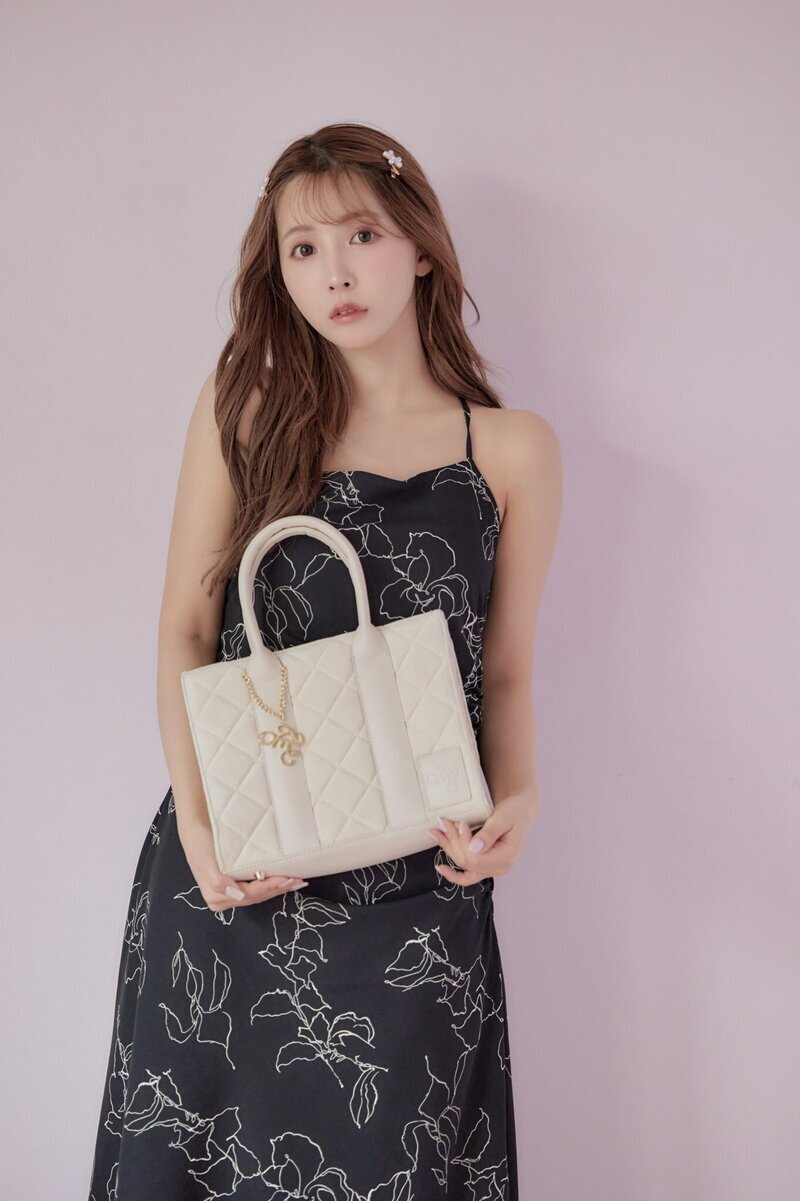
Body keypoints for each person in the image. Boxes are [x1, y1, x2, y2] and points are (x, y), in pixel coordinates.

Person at [87, 122, 562, 1201]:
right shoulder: (246, 410)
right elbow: (183, 625)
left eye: (362, 235)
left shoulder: (511, 449)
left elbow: (504, 672)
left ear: (421, 249)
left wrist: (521, 797)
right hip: (241, 870)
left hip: (420, 884)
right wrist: (200, 828)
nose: (335, 272)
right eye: (302, 248)